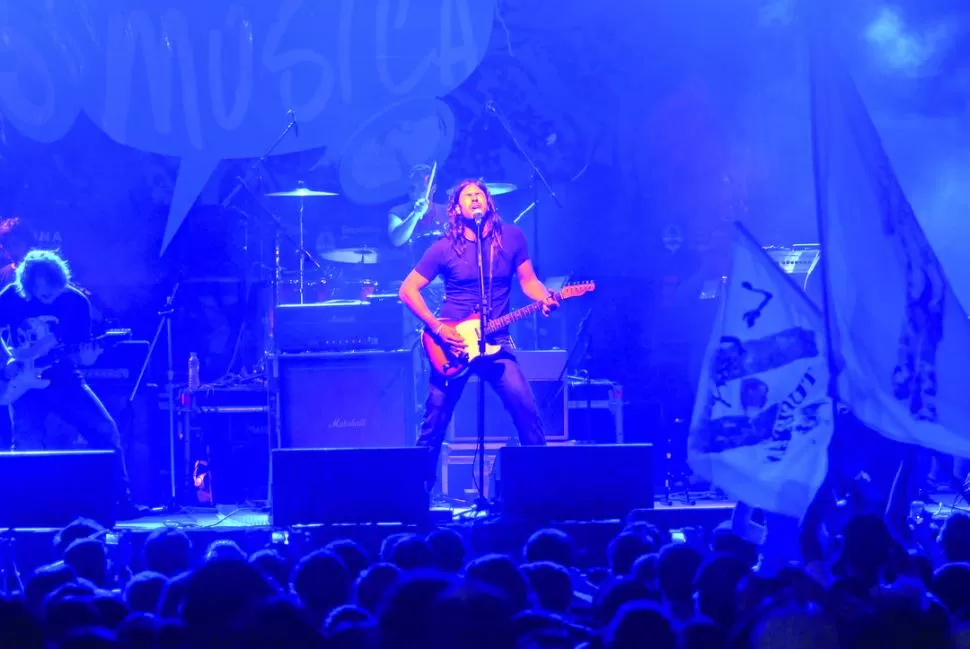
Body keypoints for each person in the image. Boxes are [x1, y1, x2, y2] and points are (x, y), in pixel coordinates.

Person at [398, 179, 559, 486]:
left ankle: (542, 491)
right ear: (457, 208)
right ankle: (417, 495)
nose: (474, 198)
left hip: (496, 342)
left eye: (479, 194)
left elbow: (529, 282)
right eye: (467, 196)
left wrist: (544, 298)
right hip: (452, 345)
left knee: (526, 412)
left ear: (488, 202)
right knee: (434, 422)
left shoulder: (512, 238)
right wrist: (437, 327)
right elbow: (407, 290)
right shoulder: (444, 248)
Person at [0, 250, 135, 515]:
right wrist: (7, 361)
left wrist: (88, 357)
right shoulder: (10, 297)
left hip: (65, 379)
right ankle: (26, 509)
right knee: (27, 444)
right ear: (27, 287)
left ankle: (121, 500)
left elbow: (80, 354)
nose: (50, 299)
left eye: (54, 292)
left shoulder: (75, 301)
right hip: (23, 384)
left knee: (105, 430)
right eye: (43, 295)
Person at [387, 164, 448, 250]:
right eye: (413, 188)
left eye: (422, 188)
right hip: (412, 263)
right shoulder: (398, 212)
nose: (416, 193)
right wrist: (415, 214)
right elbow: (396, 240)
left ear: (433, 189)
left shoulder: (446, 212)